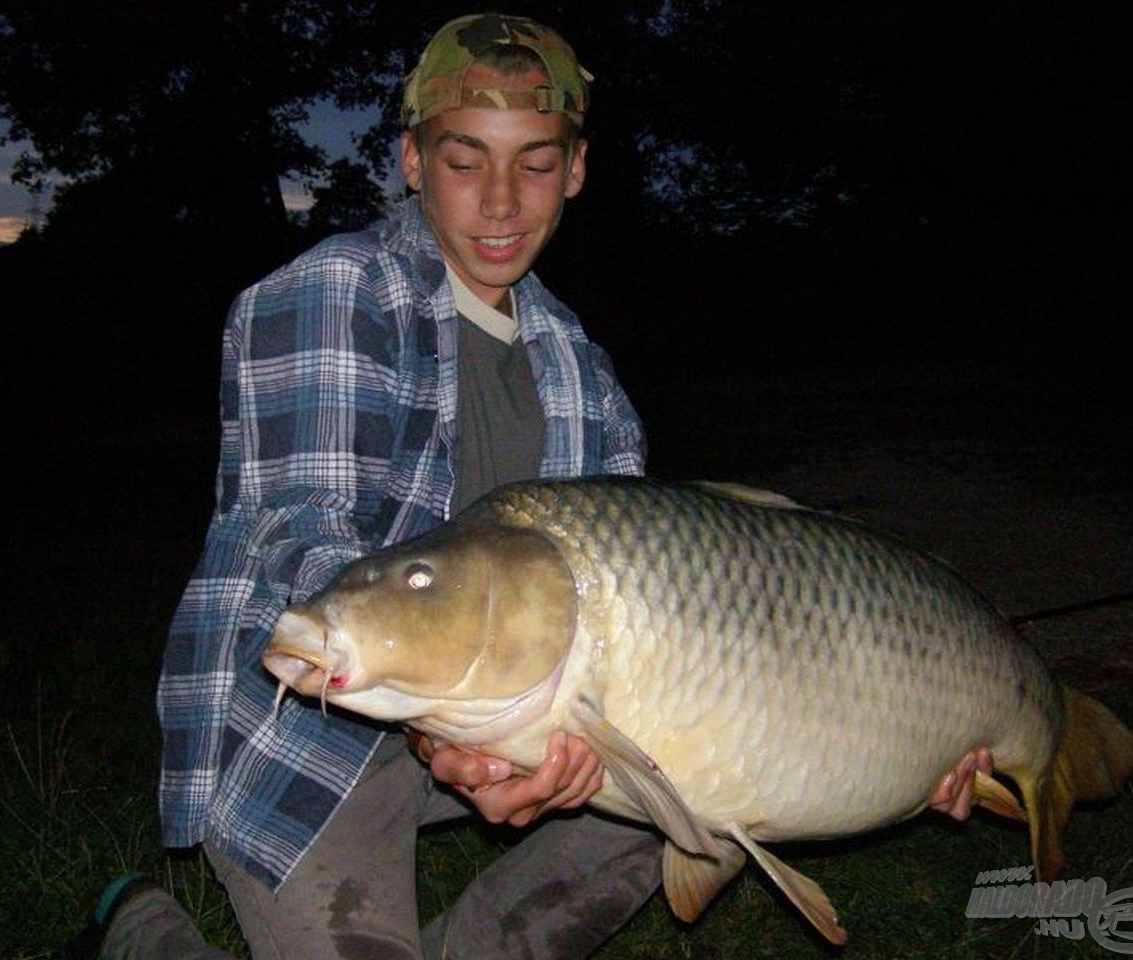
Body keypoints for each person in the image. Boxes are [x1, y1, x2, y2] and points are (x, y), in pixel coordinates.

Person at [75, 13, 989, 960]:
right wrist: (448, 739)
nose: (502, 201)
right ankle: (142, 931)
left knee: (693, 800)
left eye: (536, 163)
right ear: (414, 161)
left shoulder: (586, 379)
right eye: (466, 161)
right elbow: (304, 540)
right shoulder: (333, 291)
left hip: (509, 714)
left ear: (577, 169)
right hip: (310, 734)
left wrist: (903, 744)